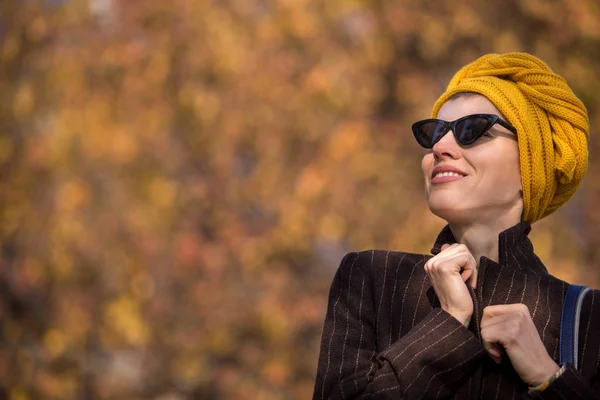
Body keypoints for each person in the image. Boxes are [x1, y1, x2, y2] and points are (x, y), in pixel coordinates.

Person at [312, 53, 600, 399]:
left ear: (530, 165)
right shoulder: (370, 279)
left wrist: (547, 377)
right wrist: (447, 325)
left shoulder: (587, 318)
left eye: (471, 129)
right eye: (435, 131)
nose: (439, 146)